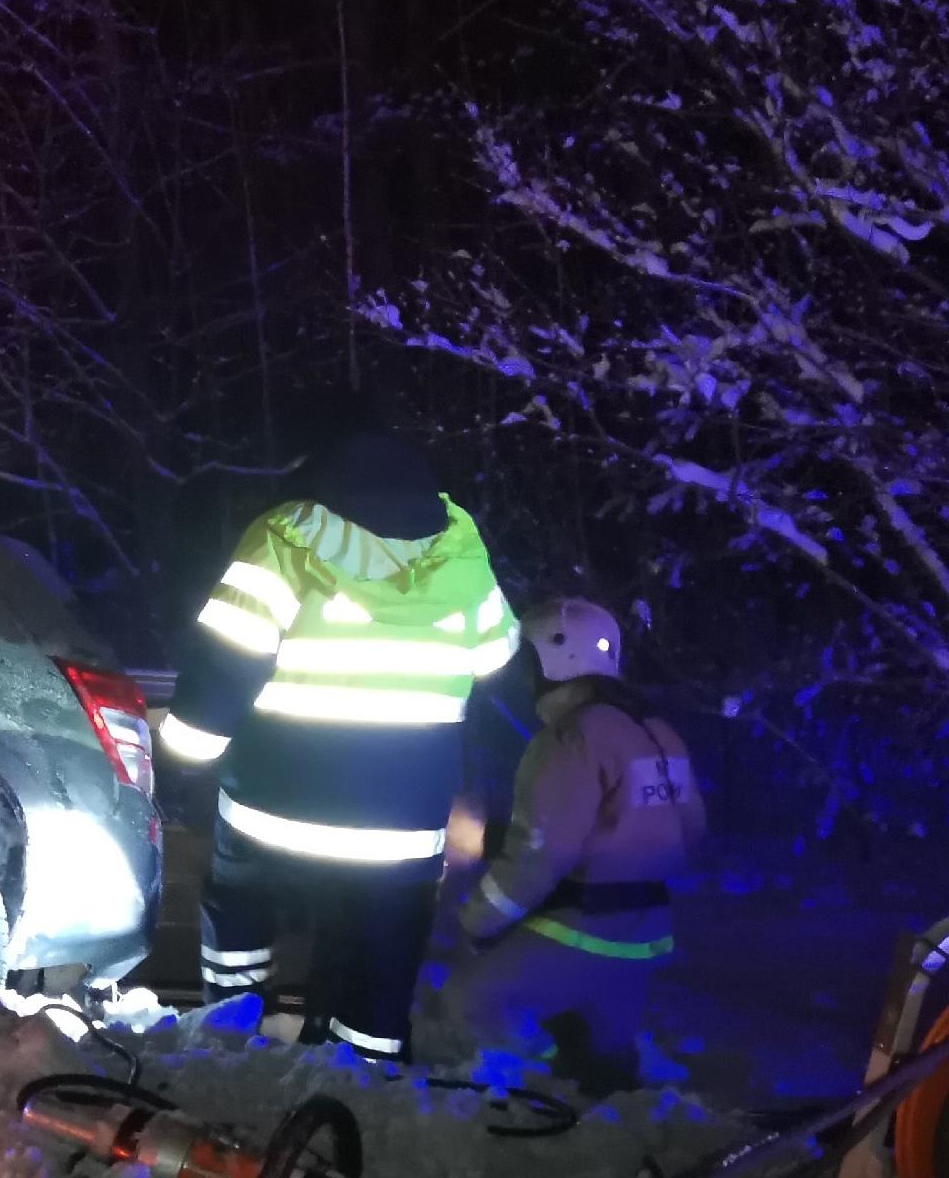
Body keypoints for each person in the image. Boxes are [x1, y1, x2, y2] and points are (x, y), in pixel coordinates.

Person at [157, 430, 518, 1062]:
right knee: (386, 942)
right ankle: (368, 1067)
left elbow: (220, 673)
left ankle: (227, 1040)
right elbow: (502, 675)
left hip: (274, 810)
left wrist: (178, 772)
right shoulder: (463, 556)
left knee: (238, 907)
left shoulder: (284, 539)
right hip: (402, 829)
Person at [445, 596, 706, 1093]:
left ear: (553, 661)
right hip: (646, 930)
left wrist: (478, 921)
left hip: (583, 929)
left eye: (527, 663)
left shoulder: (573, 737)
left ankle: (530, 1089)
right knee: (604, 1051)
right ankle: (601, 1091)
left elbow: (540, 852)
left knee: (469, 1001)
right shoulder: (657, 731)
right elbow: (691, 830)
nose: (523, 678)